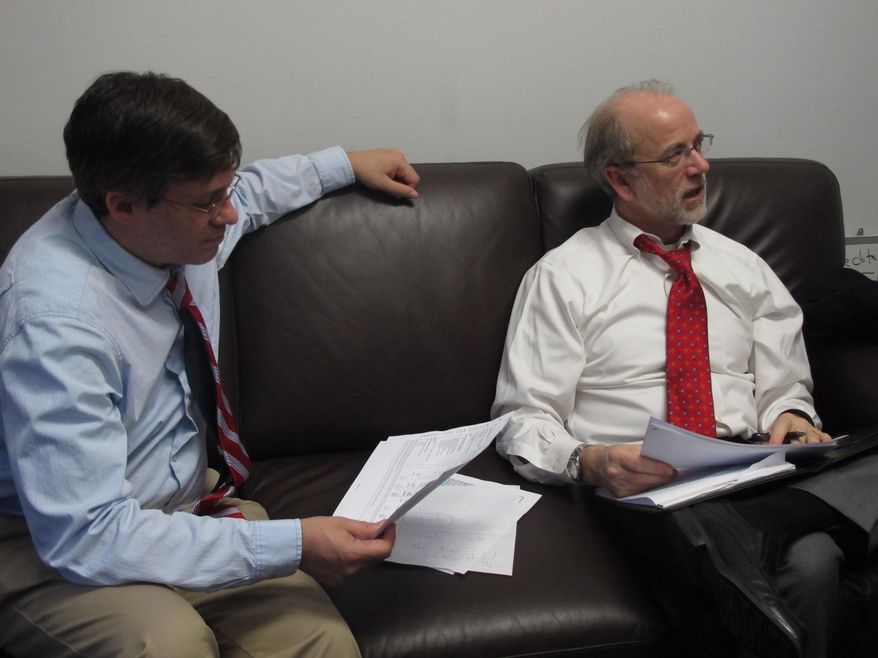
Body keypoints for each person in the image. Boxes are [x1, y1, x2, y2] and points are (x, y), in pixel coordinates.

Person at [0, 71, 420, 657]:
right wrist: (293, 545)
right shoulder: (55, 323)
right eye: (208, 202)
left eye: (223, 191)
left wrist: (346, 163)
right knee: (169, 645)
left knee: (319, 642)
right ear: (122, 204)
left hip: (181, 506)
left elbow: (251, 194)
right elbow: (86, 534)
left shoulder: (169, 230)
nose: (228, 214)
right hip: (52, 541)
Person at [492, 80, 878, 658]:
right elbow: (523, 418)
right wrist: (590, 461)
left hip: (753, 469)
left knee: (829, 527)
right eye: (676, 155)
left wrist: (792, 414)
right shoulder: (564, 277)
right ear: (621, 179)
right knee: (814, 557)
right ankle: (750, 531)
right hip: (647, 486)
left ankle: (754, 528)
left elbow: (783, 383)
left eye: (699, 145)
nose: (702, 165)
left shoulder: (742, 266)